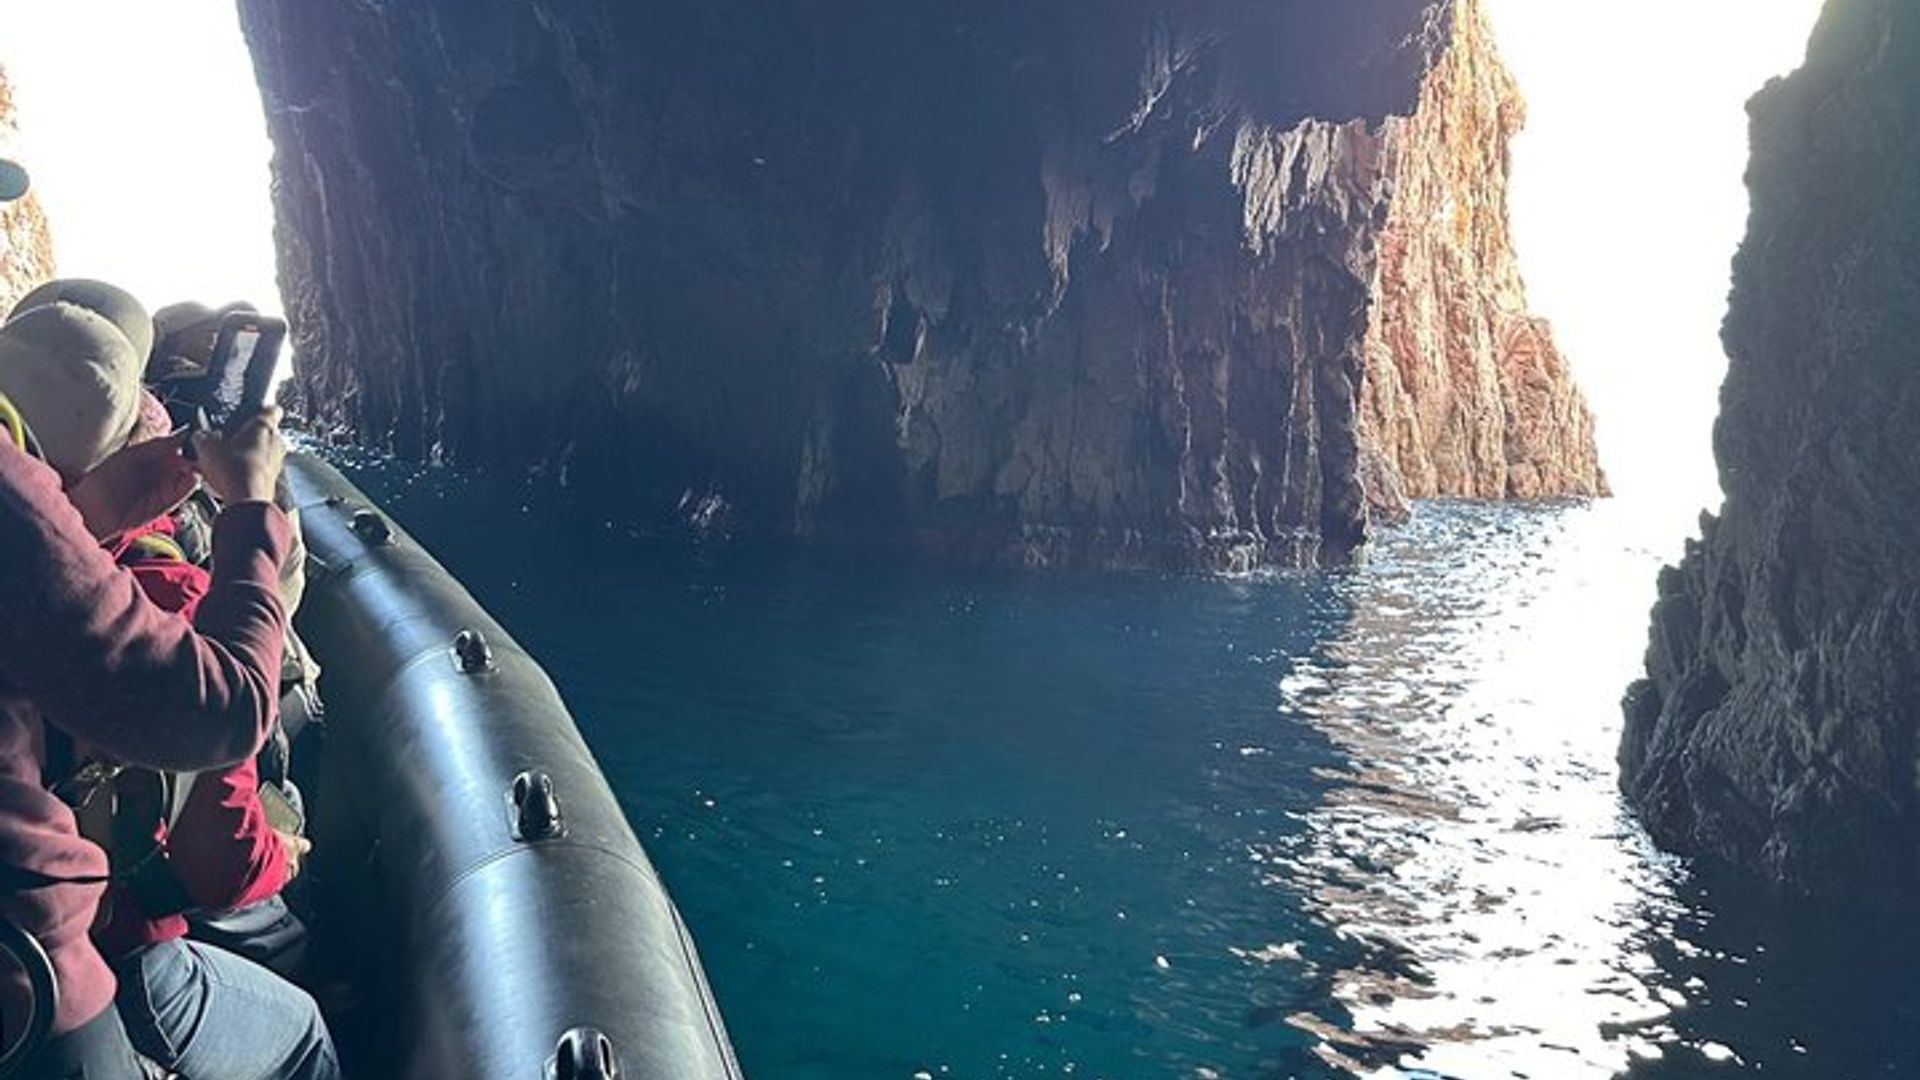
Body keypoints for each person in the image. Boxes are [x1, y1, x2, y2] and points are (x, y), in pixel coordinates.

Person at [0, 287, 339, 1079]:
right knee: (302, 1038)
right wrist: (250, 508)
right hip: (30, 977)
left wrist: (85, 515)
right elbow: (222, 711)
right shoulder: (12, 500)